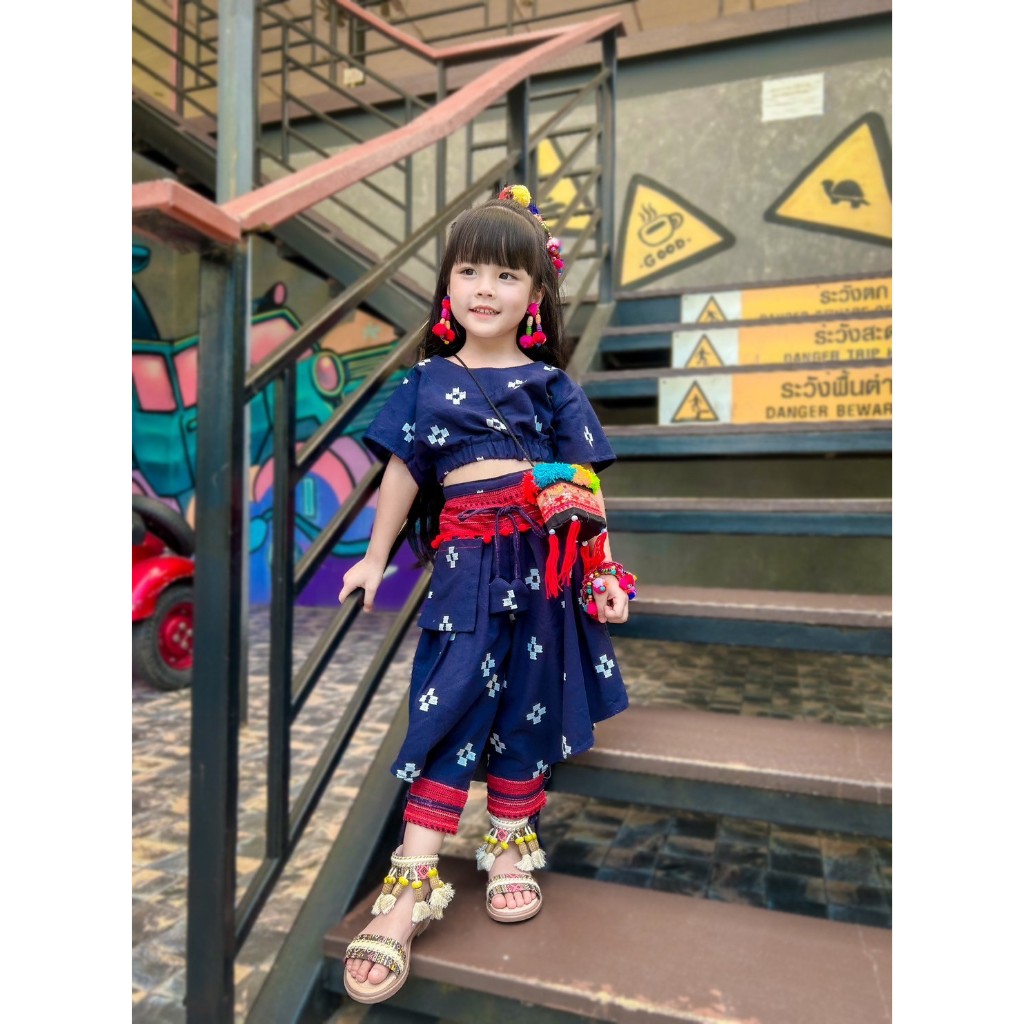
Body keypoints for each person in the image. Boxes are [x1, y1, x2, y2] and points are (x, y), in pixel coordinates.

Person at [337, 184, 635, 1004]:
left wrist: (603, 572)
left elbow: (582, 485)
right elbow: (403, 473)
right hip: (466, 572)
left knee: (530, 702)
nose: (484, 289)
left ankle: (509, 844)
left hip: (545, 571)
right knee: (448, 704)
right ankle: (409, 887)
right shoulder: (427, 381)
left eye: (506, 276)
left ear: (535, 294)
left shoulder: (552, 386)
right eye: (469, 270)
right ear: (447, 284)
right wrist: (374, 557)